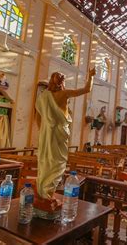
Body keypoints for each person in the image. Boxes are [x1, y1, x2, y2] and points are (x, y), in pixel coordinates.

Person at [35, 67, 96, 201]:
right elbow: (86, 89)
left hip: (47, 133)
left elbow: (38, 116)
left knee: (46, 160)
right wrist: (91, 76)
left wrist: (44, 130)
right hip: (59, 132)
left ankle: (43, 192)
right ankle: (47, 194)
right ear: (62, 82)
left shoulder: (43, 96)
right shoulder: (64, 93)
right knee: (58, 161)